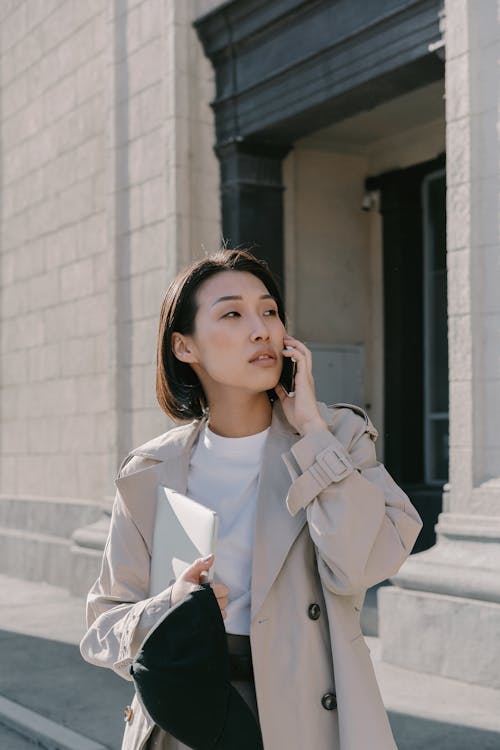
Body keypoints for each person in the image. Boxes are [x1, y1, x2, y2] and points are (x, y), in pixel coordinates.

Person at [80, 248, 422, 750]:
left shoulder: (337, 436)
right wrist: (171, 607)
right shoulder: (151, 472)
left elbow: (362, 564)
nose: (261, 328)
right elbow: (102, 629)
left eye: (269, 311)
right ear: (184, 347)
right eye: (233, 314)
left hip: (307, 713)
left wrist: (312, 433)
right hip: (186, 717)